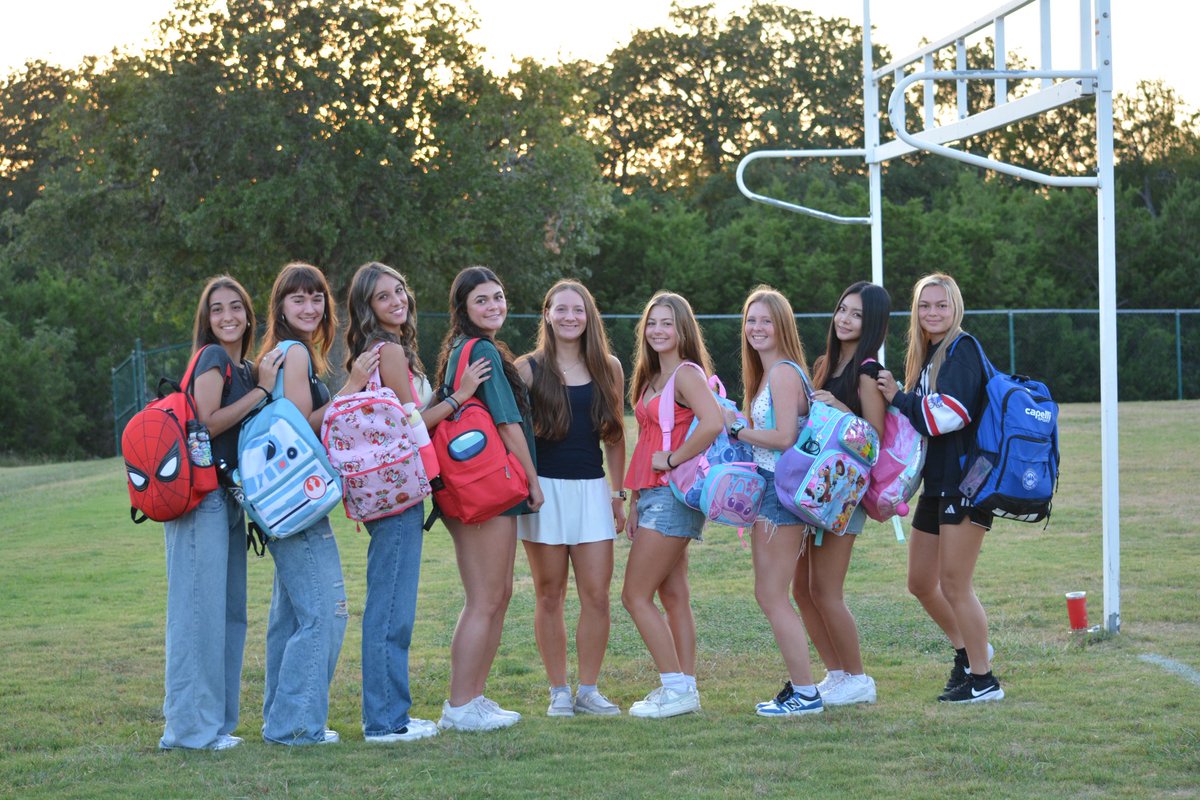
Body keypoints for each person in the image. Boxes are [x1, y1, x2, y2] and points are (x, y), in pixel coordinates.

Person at [341, 262, 491, 743]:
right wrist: (460, 395)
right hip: (396, 492)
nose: (397, 300)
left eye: (400, 290)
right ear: (368, 308)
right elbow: (412, 425)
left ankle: (391, 715)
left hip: (396, 491)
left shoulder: (388, 349)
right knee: (390, 608)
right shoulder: (385, 351)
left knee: (393, 603)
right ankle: (385, 722)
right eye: (383, 297)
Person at [159, 276, 280, 751]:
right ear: (207, 321)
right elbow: (206, 424)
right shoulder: (213, 359)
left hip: (228, 500)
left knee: (228, 615)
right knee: (197, 614)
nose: (227, 316)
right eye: (217, 310)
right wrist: (263, 393)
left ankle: (217, 725)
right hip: (199, 501)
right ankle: (188, 731)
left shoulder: (245, 368)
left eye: (236, 307)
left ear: (250, 316)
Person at [875, 272, 1003, 703]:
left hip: (968, 481)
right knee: (920, 582)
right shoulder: (929, 355)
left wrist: (898, 397)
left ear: (955, 308)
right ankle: (967, 653)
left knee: (954, 584)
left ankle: (984, 680)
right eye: (925, 306)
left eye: (941, 305)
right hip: (938, 484)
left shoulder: (963, 349)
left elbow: (947, 415)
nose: (933, 313)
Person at [433, 266, 544, 732]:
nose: (494, 305)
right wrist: (533, 481)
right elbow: (505, 423)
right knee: (486, 598)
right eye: (482, 300)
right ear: (464, 308)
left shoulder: (464, 349)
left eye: (498, 297)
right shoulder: (479, 349)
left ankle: (473, 698)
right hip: (487, 487)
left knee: (491, 597)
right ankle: (460, 705)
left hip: (471, 487)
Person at [258, 261, 362, 745]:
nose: (309, 306)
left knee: (292, 615)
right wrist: (352, 389)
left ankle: (280, 719)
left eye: (317, 297)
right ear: (279, 306)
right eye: (297, 298)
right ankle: (296, 725)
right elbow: (302, 425)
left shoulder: (283, 354)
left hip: (279, 503)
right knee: (326, 611)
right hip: (298, 502)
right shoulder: (294, 353)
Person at [515, 280, 627, 717]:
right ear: (547, 314)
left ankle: (588, 690)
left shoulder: (609, 367)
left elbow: (615, 437)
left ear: (588, 316)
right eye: (560, 309)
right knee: (549, 594)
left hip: (592, 492)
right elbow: (512, 433)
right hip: (544, 493)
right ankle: (558, 692)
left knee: (597, 595)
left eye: (577, 310)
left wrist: (617, 494)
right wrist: (529, 484)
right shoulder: (527, 369)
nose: (569, 317)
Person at [717, 286, 823, 716]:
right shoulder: (770, 372)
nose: (756, 328)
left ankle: (806, 693)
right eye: (751, 320)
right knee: (772, 594)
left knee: (772, 595)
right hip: (771, 490)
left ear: (782, 326)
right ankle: (801, 687)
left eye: (766, 320)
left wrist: (736, 429)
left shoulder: (781, 372)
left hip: (779, 494)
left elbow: (784, 439)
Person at [621, 291, 722, 719]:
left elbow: (714, 421)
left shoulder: (685, 375)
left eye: (668, 323)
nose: (658, 330)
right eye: (652, 323)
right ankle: (687, 687)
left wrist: (675, 458)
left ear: (683, 329)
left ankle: (674, 687)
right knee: (673, 594)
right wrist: (637, 501)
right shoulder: (652, 378)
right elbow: (647, 443)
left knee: (634, 596)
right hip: (655, 495)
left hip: (674, 495)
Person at [791, 281, 890, 707]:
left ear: (871, 326)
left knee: (827, 590)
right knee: (802, 589)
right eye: (842, 311)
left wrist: (840, 408)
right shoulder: (823, 365)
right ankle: (836, 674)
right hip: (810, 489)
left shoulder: (868, 372)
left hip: (842, 494)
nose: (845, 320)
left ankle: (859, 679)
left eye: (856, 315)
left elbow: (876, 440)